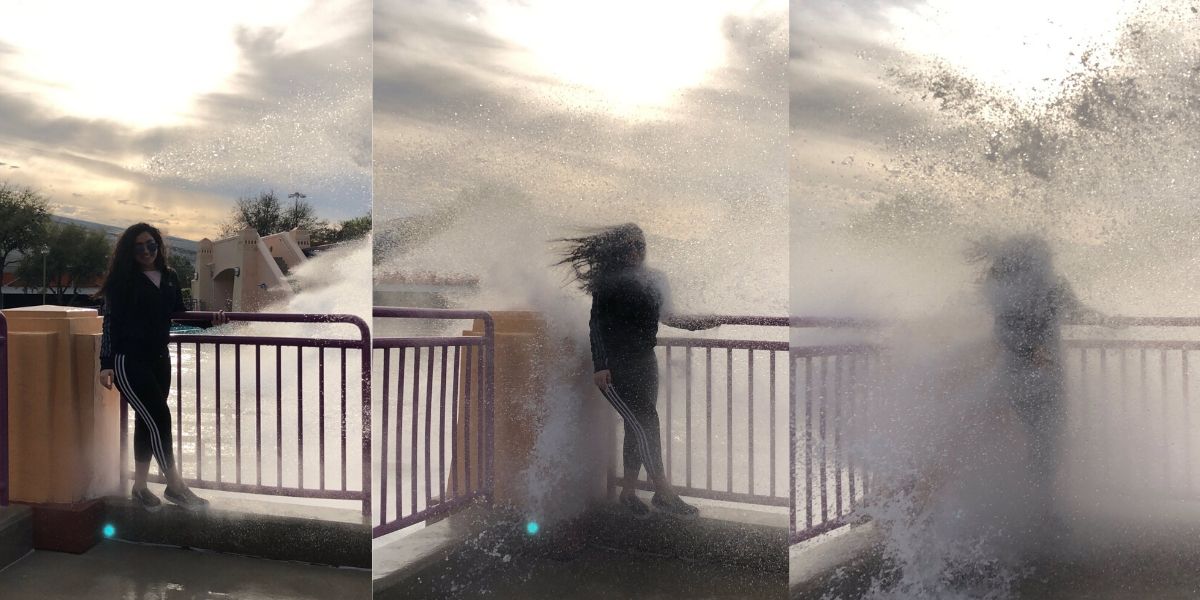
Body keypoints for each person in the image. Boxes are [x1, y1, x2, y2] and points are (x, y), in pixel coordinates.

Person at [558, 223, 717, 518]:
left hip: (645, 362)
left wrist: (701, 322)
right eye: (629, 245)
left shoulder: (655, 279)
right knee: (647, 423)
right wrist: (601, 364)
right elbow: (596, 325)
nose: (635, 251)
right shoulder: (609, 283)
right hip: (615, 370)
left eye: (640, 245)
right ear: (618, 250)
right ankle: (663, 492)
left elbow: (669, 316)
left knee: (638, 426)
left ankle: (628, 492)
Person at [96, 223, 225, 511]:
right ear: (130, 250)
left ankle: (140, 487)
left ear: (159, 246)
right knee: (161, 418)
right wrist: (106, 364)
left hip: (159, 360)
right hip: (128, 361)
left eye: (151, 245)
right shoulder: (122, 280)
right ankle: (175, 486)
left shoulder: (169, 276)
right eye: (139, 246)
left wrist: (210, 319)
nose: (146, 251)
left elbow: (177, 314)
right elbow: (110, 324)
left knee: (148, 421)